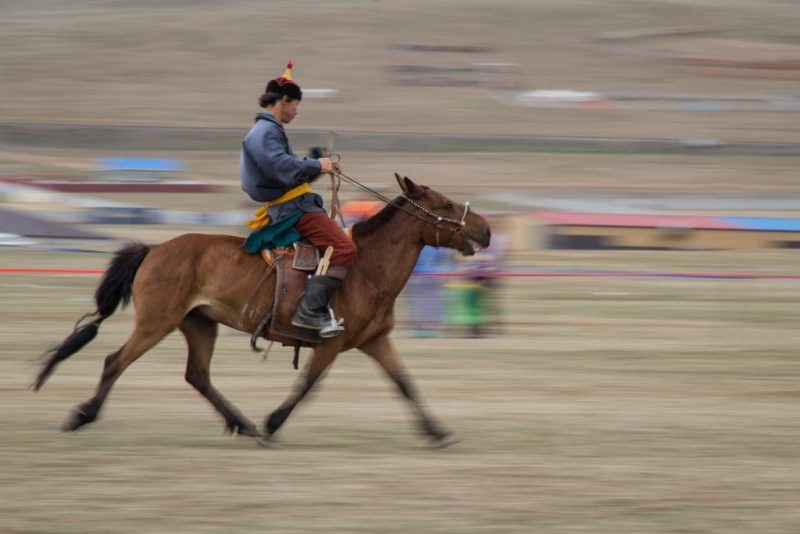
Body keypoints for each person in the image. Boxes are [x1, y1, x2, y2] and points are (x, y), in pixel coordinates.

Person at [239, 61, 356, 337]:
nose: (296, 110)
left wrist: (314, 161)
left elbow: (285, 171)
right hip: (294, 209)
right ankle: (309, 312)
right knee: (344, 249)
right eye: (295, 104)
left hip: (294, 203)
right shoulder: (266, 132)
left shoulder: (269, 131)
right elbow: (278, 168)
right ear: (283, 100)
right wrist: (317, 166)